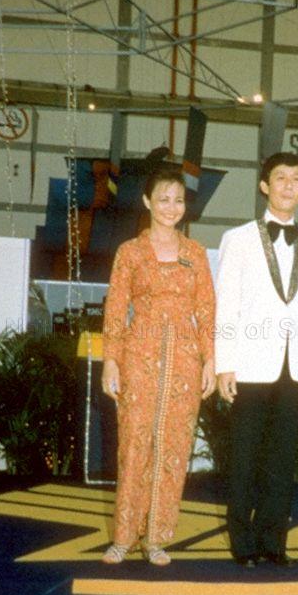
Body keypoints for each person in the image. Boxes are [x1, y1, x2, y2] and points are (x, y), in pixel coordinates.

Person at [215, 152, 298, 568]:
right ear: (264, 186)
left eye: (295, 179)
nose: (287, 185)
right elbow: (225, 306)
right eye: (279, 178)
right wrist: (224, 363)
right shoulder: (239, 238)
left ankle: (273, 541)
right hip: (248, 364)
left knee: (282, 459)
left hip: (295, 366)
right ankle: (242, 542)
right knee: (244, 457)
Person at [101, 167, 216, 566]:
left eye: (179, 200)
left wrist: (210, 361)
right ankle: (123, 535)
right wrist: (110, 362)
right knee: (134, 445)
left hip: (185, 359)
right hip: (139, 355)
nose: (172, 207)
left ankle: (157, 538)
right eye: (164, 199)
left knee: (174, 448)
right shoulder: (129, 252)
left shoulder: (196, 254)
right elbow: (115, 309)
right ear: (148, 201)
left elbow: (207, 311)